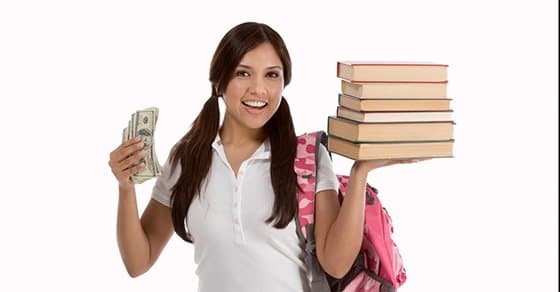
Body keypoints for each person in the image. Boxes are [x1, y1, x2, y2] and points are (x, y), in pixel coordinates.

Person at [108, 22, 421, 292]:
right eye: (243, 73)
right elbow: (139, 262)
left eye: (272, 75)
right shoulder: (187, 159)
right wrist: (125, 188)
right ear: (219, 80)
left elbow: (336, 265)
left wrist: (359, 175)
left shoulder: (308, 159)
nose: (258, 88)